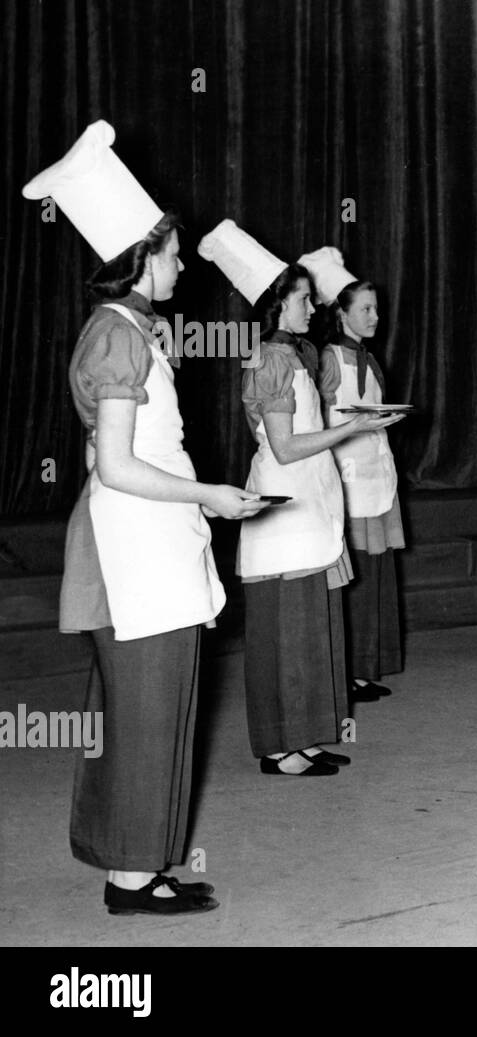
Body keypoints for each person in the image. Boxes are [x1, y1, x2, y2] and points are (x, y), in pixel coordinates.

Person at [23, 121, 268, 914]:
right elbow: (123, 466)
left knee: (140, 705)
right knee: (147, 705)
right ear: (137, 258)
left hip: (145, 541)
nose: (180, 262)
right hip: (133, 547)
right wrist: (213, 496)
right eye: (169, 251)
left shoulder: (130, 331)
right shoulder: (117, 339)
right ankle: (133, 877)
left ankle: (128, 857)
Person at [199, 221, 401, 775]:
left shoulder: (295, 355)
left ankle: (305, 736)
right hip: (284, 510)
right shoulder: (267, 359)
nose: (312, 308)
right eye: (303, 299)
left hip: (311, 509)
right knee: (283, 633)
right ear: (278, 305)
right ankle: (278, 748)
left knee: (311, 628)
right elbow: (286, 449)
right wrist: (354, 430)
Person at [300, 247, 405, 699]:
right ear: (340, 314)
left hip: (377, 476)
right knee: (353, 576)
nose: (375, 316)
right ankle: (346, 670)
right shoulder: (327, 359)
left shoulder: (369, 358)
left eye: (376, 308)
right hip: (345, 479)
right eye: (365, 309)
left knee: (374, 574)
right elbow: (311, 421)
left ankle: (364, 666)